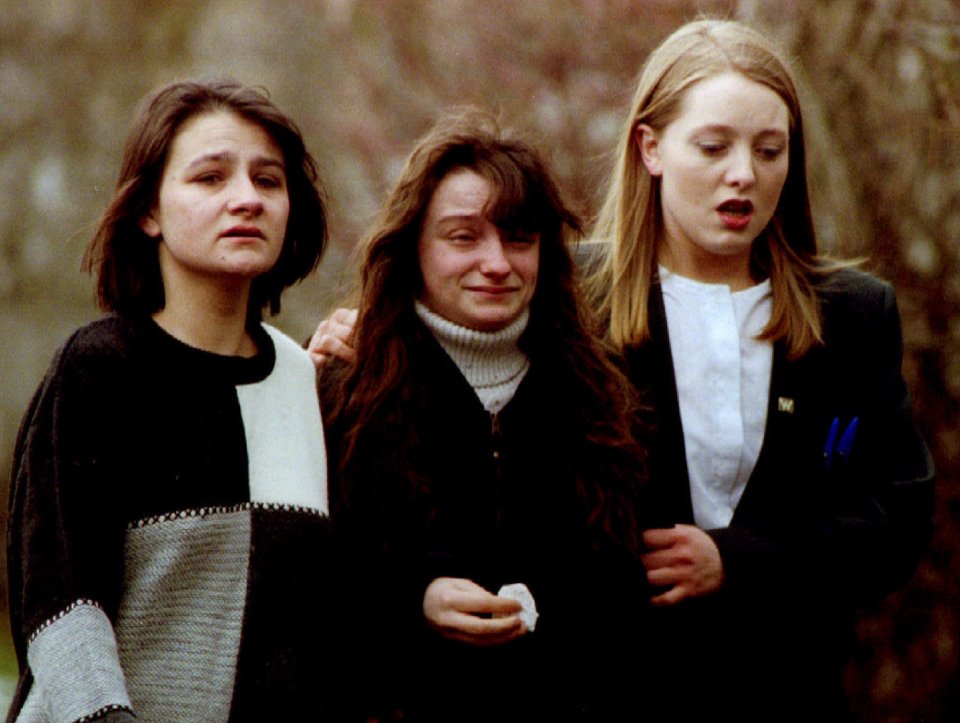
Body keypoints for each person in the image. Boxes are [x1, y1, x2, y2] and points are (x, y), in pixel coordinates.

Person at [587, 18, 935, 720]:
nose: (744, 171)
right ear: (650, 148)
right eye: (713, 146)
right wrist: (349, 344)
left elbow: (895, 516)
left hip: (791, 693)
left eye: (770, 149)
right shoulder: (567, 302)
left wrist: (741, 560)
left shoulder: (852, 317)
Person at [7, 79, 331, 722]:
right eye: (210, 178)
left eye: (269, 181)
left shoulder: (301, 378)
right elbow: (59, 602)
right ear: (147, 211)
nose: (247, 198)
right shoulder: (99, 368)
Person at [319, 109, 650, 721]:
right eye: (464, 237)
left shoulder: (601, 394)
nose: (497, 263)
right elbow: (310, 588)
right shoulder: (344, 391)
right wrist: (414, 602)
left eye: (519, 237)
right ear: (413, 246)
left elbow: (623, 608)